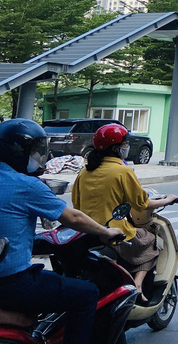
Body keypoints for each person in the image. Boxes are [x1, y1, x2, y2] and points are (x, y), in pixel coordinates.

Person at [0, 119, 126, 344]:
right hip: (12, 282)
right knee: (86, 294)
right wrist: (105, 232)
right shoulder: (26, 185)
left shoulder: (84, 173)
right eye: (34, 150)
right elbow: (74, 217)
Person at [71, 124, 178, 303]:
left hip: (86, 233)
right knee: (152, 241)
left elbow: (77, 204)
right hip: (115, 234)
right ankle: (137, 286)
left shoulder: (84, 172)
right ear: (115, 148)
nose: (126, 147)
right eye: (124, 143)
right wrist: (168, 200)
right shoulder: (123, 171)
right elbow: (142, 203)